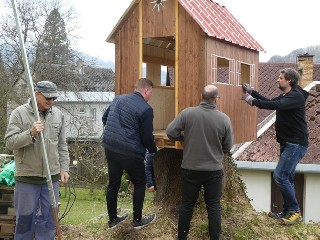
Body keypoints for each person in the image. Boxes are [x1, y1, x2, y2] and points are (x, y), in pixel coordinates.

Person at [241, 68, 309, 225]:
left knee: (280, 176)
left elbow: (275, 105)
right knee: (288, 177)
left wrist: (251, 100)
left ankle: (295, 212)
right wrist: (254, 92)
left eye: (280, 78)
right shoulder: (287, 95)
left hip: (296, 143)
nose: (277, 80)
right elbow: (272, 101)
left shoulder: (295, 97)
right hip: (288, 142)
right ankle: (286, 212)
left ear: (289, 81)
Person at [166, 85, 234, 240]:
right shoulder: (224, 119)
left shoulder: (188, 113)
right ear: (216, 99)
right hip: (214, 171)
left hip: (190, 169)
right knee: (214, 207)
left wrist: (184, 137)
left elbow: (171, 132)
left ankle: (182, 237)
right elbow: (228, 147)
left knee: (187, 206)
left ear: (201, 97)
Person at [5, 81, 70, 240]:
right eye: (48, 98)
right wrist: (31, 133)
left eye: (54, 98)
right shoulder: (19, 113)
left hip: (51, 178)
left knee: (49, 221)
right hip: (27, 177)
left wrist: (64, 168)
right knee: (25, 221)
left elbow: (62, 145)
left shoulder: (58, 115)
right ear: (36, 94)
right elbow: (10, 142)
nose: (51, 102)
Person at [102, 78, 157, 230]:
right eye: (151, 92)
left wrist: (117, 135)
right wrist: (153, 150)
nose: (151, 96)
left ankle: (113, 220)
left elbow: (105, 118)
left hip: (110, 148)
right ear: (146, 91)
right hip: (130, 153)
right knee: (140, 183)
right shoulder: (146, 109)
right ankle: (137, 221)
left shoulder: (118, 99)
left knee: (113, 184)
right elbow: (147, 138)